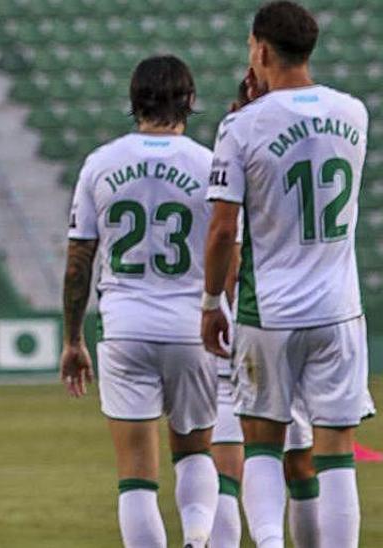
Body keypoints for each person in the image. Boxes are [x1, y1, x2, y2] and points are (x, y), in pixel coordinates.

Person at [201, 2, 373, 547]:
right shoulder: (353, 112)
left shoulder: (241, 126)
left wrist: (210, 304)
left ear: (262, 50)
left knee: (264, 446)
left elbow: (223, 231)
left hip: (269, 312)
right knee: (336, 453)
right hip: (339, 308)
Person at [59, 56, 218, 547]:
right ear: (189, 100)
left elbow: (78, 261)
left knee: (135, 476)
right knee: (194, 453)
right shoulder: (208, 164)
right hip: (191, 325)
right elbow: (227, 247)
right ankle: (196, 538)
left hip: (125, 327)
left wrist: (71, 340)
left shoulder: (101, 163)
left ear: (134, 103)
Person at [209, 69, 319, 548]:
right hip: (287, 314)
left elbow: (224, 242)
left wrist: (219, 306)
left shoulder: (236, 153)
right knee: (295, 455)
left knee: (241, 453)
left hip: (254, 320)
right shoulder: (292, 152)